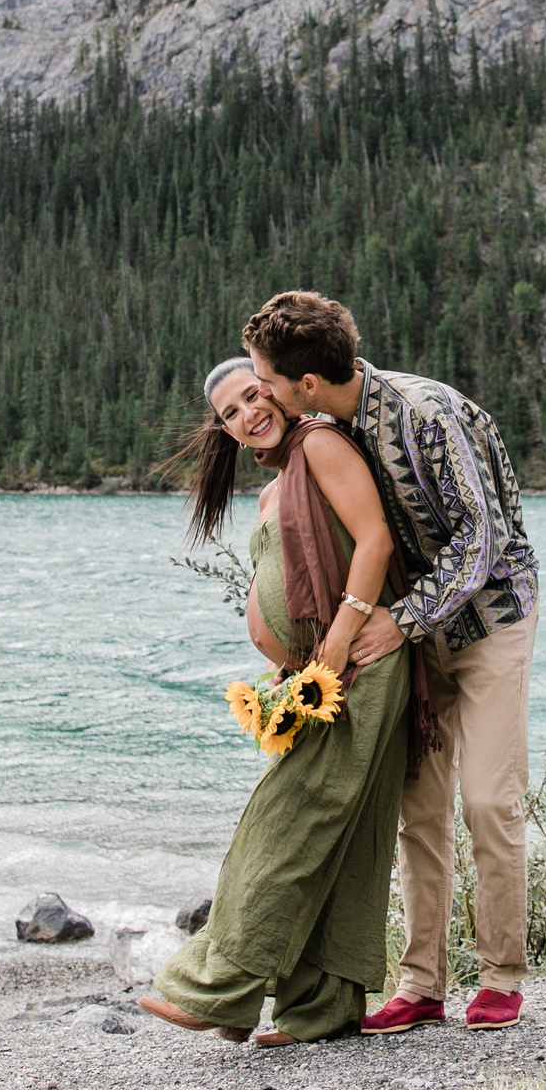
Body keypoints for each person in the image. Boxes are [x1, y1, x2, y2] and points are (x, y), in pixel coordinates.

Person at [242, 290, 538, 1034]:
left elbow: (482, 540)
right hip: (403, 635)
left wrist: (399, 622)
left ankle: (501, 976)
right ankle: (422, 984)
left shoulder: (425, 412)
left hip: (490, 619)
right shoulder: (322, 432)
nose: (261, 392)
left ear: (308, 382)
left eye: (266, 379)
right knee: (419, 808)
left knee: (487, 800)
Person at [138, 357, 413, 1045]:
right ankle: (321, 1007)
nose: (247, 414)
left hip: (359, 664)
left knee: (284, 822)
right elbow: (291, 585)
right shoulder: (277, 484)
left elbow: (374, 540)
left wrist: (338, 642)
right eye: (230, 413)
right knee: (343, 836)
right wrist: (278, 672)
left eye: (253, 395)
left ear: (281, 387)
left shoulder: (319, 443)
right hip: (316, 674)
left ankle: (220, 987)